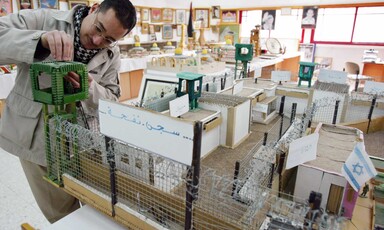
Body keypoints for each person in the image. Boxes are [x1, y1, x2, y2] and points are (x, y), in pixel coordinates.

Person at [0, 0, 136, 223]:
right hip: (38, 138)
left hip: (85, 142)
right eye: (98, 28)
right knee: (64, 215)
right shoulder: (43, 20)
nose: (97, 41)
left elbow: (112, 100)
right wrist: (39, 41)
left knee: (96, 208)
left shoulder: (112, 53)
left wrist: (90, 88)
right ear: (93, 9)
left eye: (109, 39)